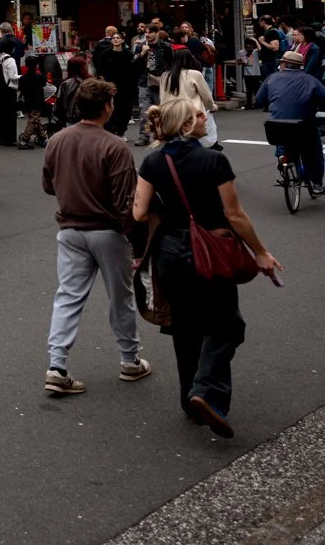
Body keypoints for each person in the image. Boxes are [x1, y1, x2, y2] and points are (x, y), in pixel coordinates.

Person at [134, 96, 281, 439]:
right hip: (210, 249)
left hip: (170, 250)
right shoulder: (214, 160)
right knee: (226, 323)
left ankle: (191, 402)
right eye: (198, 115)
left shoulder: (153, 161)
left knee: (184, 327)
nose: (204, 118)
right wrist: (260, 252)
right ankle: (207, 393)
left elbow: (139, 212)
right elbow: (235, 214)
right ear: (186, 124)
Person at [41, 79, 151, 396]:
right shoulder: (115, 146)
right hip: (107, 231)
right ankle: (129, 359)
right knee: (120, 297)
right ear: (106, 107)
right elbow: (125, 202)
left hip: (70, 229)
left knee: (68, 296)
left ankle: (57, 366)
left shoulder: (57, 140)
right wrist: (138, 244)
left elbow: (48, 185)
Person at [254, 50, 325, 185]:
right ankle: (317, 184)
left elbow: (259, 99)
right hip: (304, 127)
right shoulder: (310, 80)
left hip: (277, 127)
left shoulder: (272, 78)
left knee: (282, 139)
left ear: (284, 64)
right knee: (315, 153)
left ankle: (282, 156)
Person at [163, 47, 218, 148]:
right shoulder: (195, 74)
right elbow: (207, 97)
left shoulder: (166, 76)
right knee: (200, 146)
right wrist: (212, 107)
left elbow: (163, 98)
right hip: (192, 115)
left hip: (173, 116)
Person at [17, 56, 51, 150]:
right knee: (33, 120)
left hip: (28, 100)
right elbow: (44, 84)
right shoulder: (40, 77)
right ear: (36, 65)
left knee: (35, 119)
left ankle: (43, 138)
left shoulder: (23, 78)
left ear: (26, 65)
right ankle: (24, 140)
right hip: (38, 100)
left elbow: (21, 89)